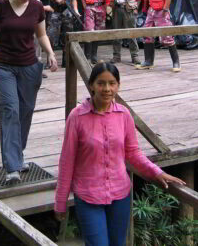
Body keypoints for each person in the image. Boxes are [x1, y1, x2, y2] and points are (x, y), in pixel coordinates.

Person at [54, 62, 185, 246]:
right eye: (101, 83)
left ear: (118, 85)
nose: (106, 89)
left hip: (120, 195)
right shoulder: (77, 117)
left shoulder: (124, 115)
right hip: (88, 195)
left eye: (112, 83)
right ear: (91, 85)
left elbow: (133, 153)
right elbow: (67, 161)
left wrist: (156, 172)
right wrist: (60, 201)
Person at [0, 0, 58, 184]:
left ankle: (18, 155)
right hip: (2, 65)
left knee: (26, 111)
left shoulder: (36, 6)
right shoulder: (0, 5)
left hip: (29, 66)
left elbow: (41, 34)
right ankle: (12, 166)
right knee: (10, 110)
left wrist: (50, 54)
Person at [113, 0, 181, 71]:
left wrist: (165, 9)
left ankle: (176, 63)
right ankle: (148, 62)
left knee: (167, 36)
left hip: (161, 12)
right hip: (151, 12)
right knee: (147, 35)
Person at [39, 0, 79, 67]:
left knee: (67, 37)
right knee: (51, 37)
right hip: (54, 13)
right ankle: (50, 62)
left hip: (68, 13)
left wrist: (76, 10)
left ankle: (66, 62)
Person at [110, 0, 142, 65]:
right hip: (117, 8)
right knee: (116, 33)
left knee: (131, 33)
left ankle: (135, 56)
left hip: (130, 9)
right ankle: (116, 56)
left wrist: (136, 7)